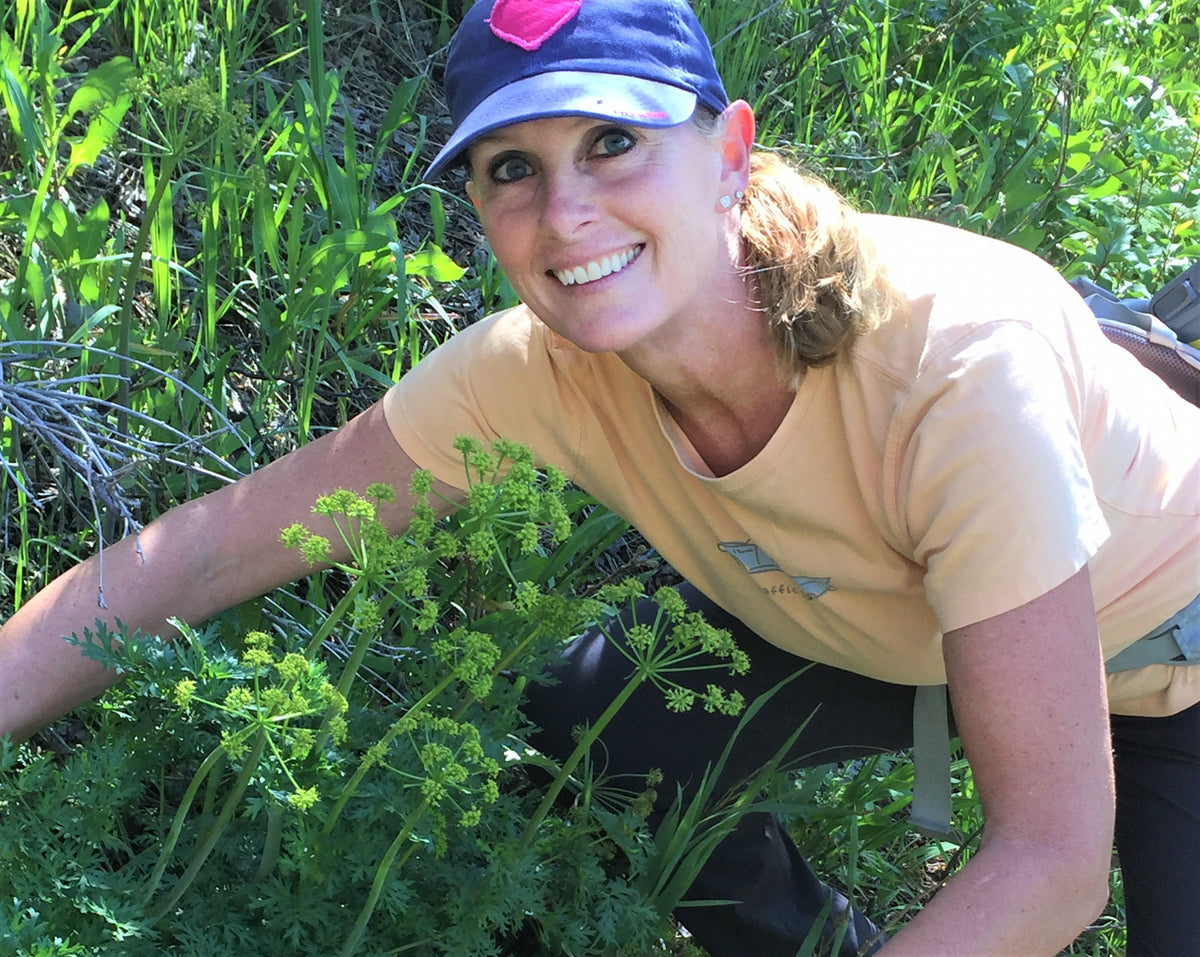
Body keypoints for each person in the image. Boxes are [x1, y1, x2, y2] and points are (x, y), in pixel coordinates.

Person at [1, 0, 1198, 953]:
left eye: (614, 143)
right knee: (600, 704)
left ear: (728, 152)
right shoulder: (537, 370)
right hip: (887, 627)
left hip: (1168, 666)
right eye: (510, 168)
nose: (566, 213)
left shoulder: (953, 362)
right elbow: (211, 548)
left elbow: (1050, 861)